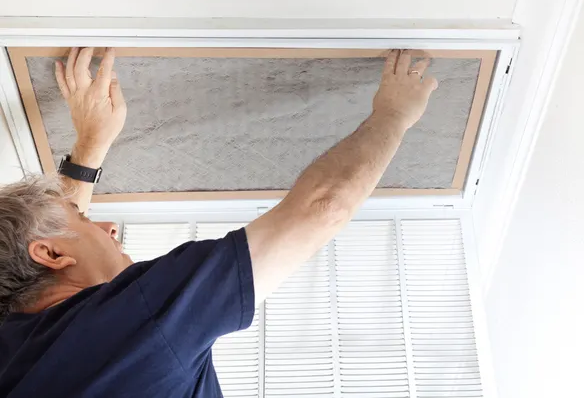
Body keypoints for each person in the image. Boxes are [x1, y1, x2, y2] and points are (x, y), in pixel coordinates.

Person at [0, 47, 437, 397]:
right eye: (86, 219)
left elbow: (325, 207)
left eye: (88, 217)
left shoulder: (115, 325)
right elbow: (323, 205)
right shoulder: (129, 325)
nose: (110, 227)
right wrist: (393, 115)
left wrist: (90, 151)